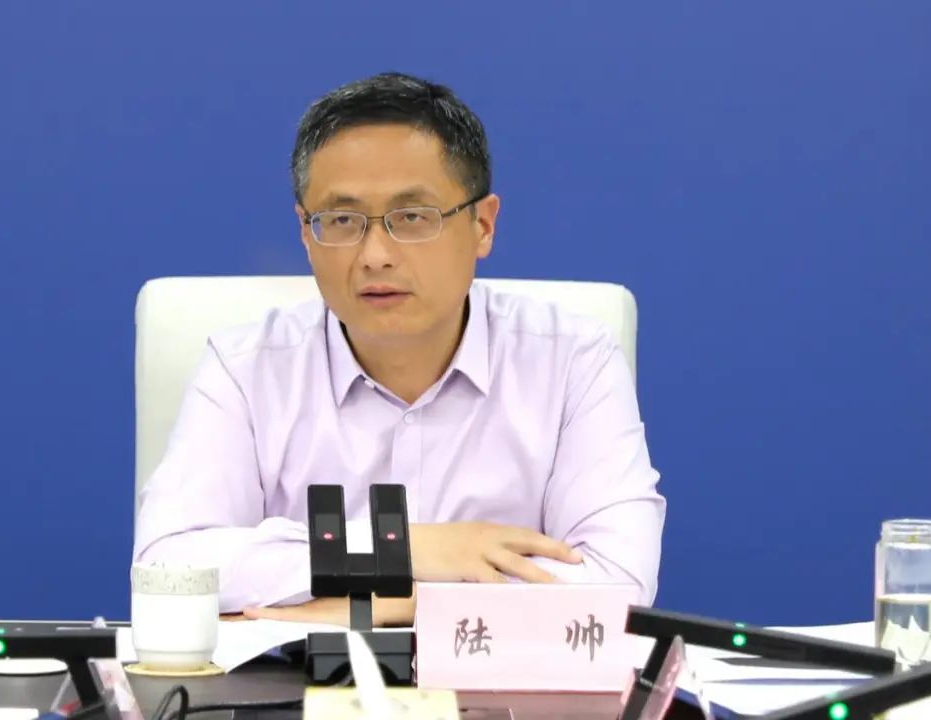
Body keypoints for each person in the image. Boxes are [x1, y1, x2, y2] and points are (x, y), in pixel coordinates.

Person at [133, 72, 665, 626]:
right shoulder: (246, 369)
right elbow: (168, 566)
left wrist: (393, 604)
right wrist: (409, 550)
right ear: (305, 233)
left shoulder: (572, 361)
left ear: (483, 226)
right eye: (342, 220)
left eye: (412, 218)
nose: (375, 255)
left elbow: (617, 585)